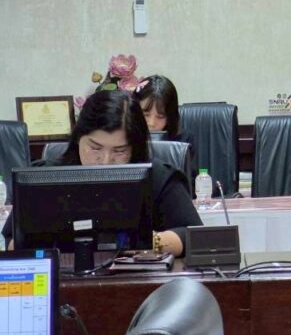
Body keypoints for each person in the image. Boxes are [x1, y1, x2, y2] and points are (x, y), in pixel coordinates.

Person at [3, 89, 201, 256]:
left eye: (119, 151)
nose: (105, 160)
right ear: (78, 138)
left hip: (138, 280)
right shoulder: (44, 177)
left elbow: (193, 235)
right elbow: (12, 240)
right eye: (95, 148)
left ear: (135, 148)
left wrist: (149, 243)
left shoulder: (159, 178)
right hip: (62, 279)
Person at [133, 74, 182, 139]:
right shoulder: (123, 138)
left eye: (160, 117)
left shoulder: (183, 142)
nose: (151, 123)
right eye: (145, 115)